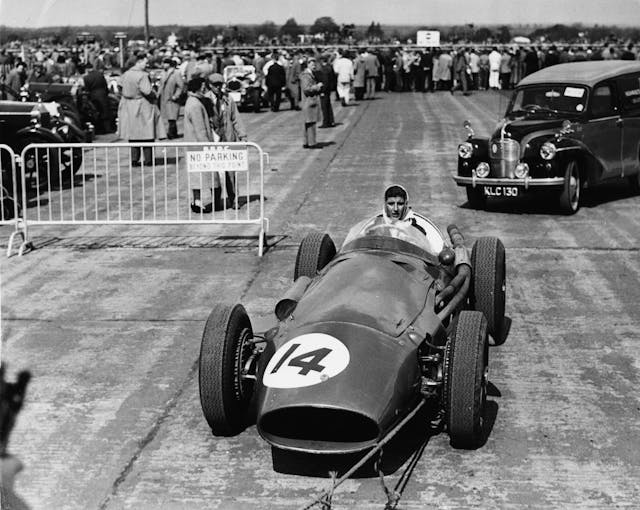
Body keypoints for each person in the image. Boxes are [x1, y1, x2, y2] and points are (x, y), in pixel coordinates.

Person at [117, 53, 166, 166]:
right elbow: (147, 91)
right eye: (145, 62)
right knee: (147, 134)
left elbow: (119, 85)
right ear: (138, 62)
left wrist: (126, 94)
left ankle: (134, 159)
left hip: (128, 105)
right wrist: (155, 94)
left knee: (133, 135)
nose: (146, 64)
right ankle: (148, 160)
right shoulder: (143, 75)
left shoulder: (126, 73)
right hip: (142, 106)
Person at [206, 72, 247, 208]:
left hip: (228, 138)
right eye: (215, 85)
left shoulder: (228, 99)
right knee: (214, 173)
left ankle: (234, 199)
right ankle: (216, 201)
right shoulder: (205, 99)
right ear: (209, 85)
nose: (218, 87)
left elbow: (236, 118)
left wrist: (242, 135)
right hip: (213, 140)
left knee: (231, 171)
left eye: (220, 85)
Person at [300, 58, 324, 149]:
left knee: (308, 122)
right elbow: (306, 89)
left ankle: (306, 142)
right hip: (309, 101)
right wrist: (317, 86)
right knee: (311, 123)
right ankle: (312, 143)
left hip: (308, 102)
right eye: (312, 64)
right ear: (308, 65)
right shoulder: (306, 75)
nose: (314, 66)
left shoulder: (308, 74)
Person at [158, 57, 184, 139]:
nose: (164, 65)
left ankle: (171, 133)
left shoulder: (176, 73)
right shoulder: (163, 73)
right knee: (168, 117)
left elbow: (180, 86)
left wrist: (176, 95)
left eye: (165, 63)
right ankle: (173, 133)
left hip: (172, 98)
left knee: (172, 117)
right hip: (164, 98)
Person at [83, 62, 112, 134]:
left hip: (94, 96)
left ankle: (100, 130)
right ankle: (108, 129)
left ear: (87, 69)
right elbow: (105, 85)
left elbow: (87, 89)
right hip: (103, 94)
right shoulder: (100, 74)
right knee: (106, 112)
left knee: (97, 112)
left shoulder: (86, 78)